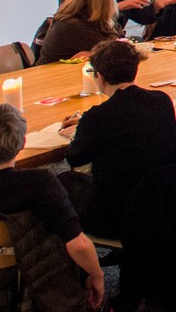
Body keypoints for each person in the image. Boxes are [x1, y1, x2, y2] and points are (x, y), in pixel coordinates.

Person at [58, 39, 176, 239]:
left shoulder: (98, 116)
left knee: (61, 184)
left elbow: (75, 158)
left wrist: (79, 131)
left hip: (116, 216)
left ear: (99, 76)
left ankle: (71, 262)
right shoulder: (161, 101)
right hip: (162, 206)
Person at [0, 104, 105, 309]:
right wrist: (98, 275)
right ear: (22, 142)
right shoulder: (39, 183)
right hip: (34, 280)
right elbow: (78, 245)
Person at [37, 0, 122, 64]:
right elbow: (115, 51)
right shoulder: (72, 25)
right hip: (52, 75)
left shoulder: (87, 16)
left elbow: (114, 42)